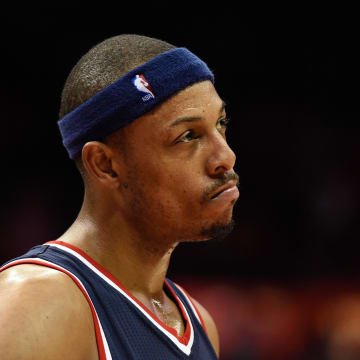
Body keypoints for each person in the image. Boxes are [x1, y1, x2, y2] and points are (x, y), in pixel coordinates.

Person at [0, 34, 239, 359]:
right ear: (105, 165)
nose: (225, 156)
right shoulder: (35, 304)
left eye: (221, 124)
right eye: (187, 136)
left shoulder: (199, 324)